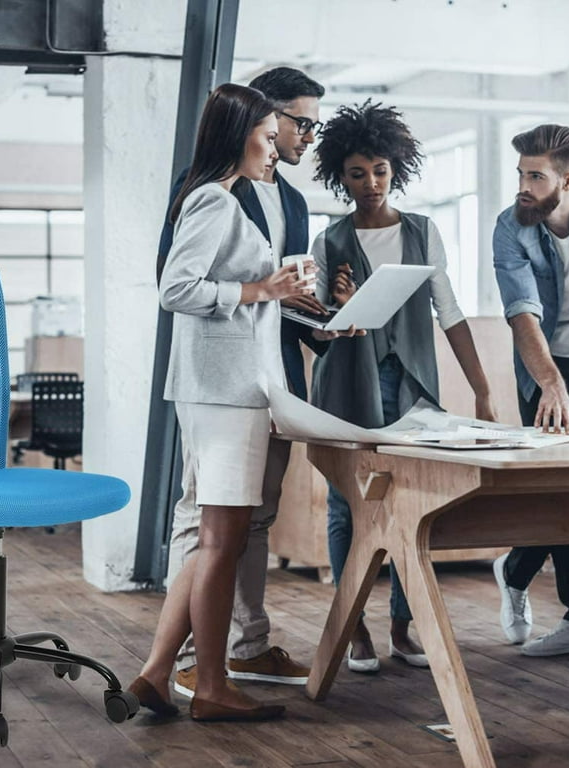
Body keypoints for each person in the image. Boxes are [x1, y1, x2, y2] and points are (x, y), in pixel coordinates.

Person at [128, 83, 335, 722]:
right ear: (240, 133)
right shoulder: (214, 200)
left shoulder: (223, 200)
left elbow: (243, 291)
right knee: (220, 541)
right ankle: (212, 686)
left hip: (238, 385)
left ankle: (158, 675)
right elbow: (175, 288)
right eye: (270, 137)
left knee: (215, 540)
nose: (276, 150)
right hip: (224, 390)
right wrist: (257, 288)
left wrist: (281, 294)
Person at [310, 100, 497, 672]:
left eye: (381, 170)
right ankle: (355, 626)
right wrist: (339, 309)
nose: (371, 183)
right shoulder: (329, 242)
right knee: (348, 509)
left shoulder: (423, 232)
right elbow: (318, 335)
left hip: (412, 385)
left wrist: (482, 390)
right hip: (347, 388)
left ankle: (402, 622)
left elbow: (450, 312)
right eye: (357, 173)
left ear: (397, 168)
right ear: (339, 176)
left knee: (412, 507)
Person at [492, 123, 569, 656]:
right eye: (520, 174)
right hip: (545, 364)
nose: (522, 186)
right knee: (562, 484)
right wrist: (552, 385)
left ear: (568, 181)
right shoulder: (511, 226)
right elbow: (522, 314)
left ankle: (512, 570)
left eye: (535, 176)